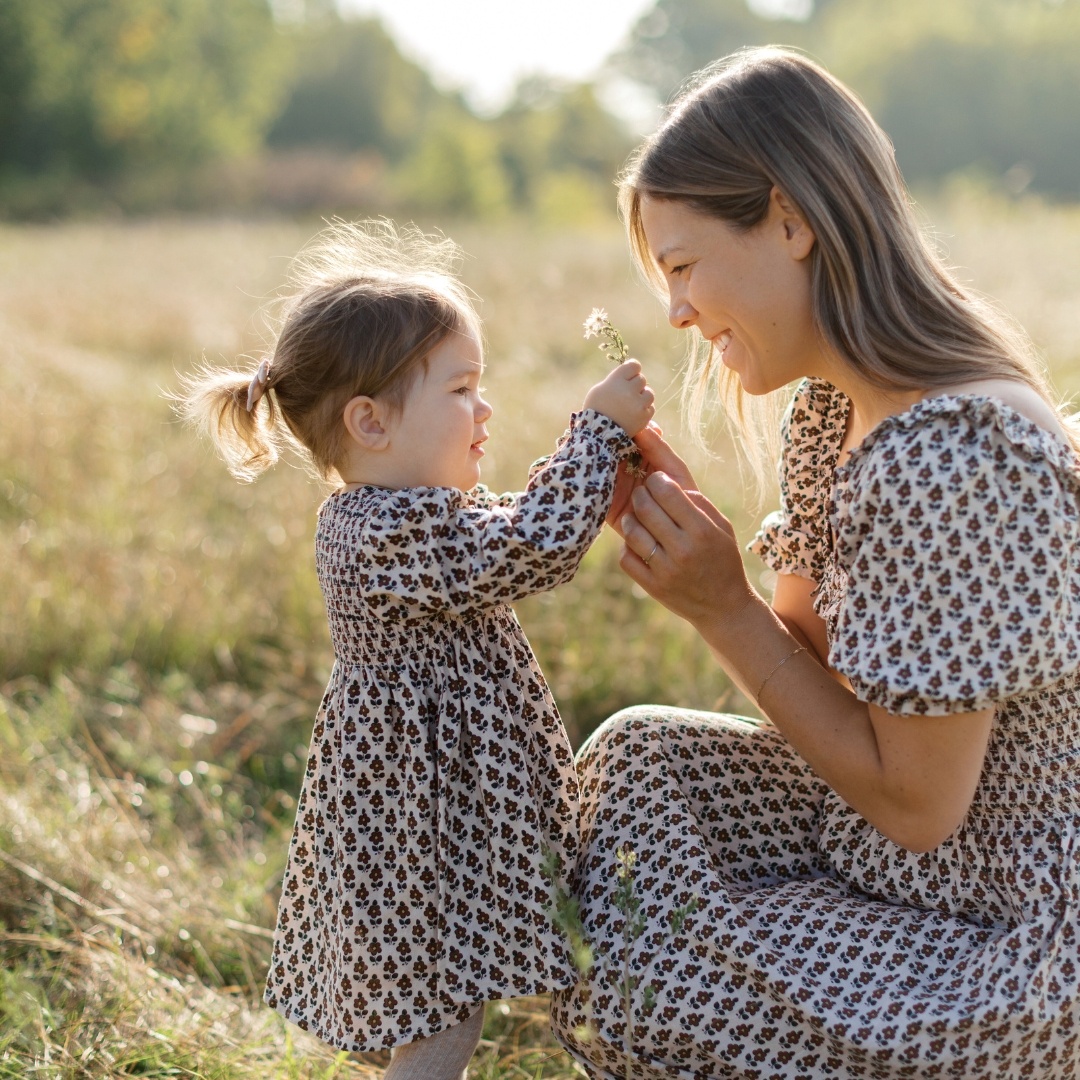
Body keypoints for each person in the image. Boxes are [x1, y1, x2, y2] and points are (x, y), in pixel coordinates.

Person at [550, 47, 1080, 1079]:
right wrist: (709, 569)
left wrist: (721, 609)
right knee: (644, 765)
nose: (676, 312)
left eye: (684, 265)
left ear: (791, 223)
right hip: (925, 859)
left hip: (1019, 924)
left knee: (670, 972)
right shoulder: (835, 412)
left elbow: (918, 808)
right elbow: (823, 689)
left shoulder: (954, 455)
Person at [178, 220, 655, 1079]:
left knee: (435, 1005)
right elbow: (532, 545)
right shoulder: (378, 535)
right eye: (462, 389)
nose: (485, 409)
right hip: (419, 819)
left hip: (441, 808)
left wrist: (590, 472)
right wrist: (593, 433)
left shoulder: (414, 516)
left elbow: (512, 529)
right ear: (370, 423)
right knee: (441, 1018)